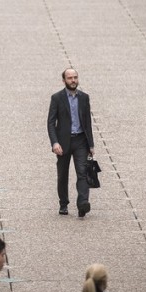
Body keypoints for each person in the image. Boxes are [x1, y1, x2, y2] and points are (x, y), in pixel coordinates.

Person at [47, 68, 96, 217]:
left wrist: (91, 144)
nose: (73, 80)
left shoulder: (84, 97)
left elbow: (87, 122)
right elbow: (50, 123)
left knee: (83, 173)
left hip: (81, 140)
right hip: (63, 142)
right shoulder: (56, 98)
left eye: (75, 77)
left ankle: (82, 203)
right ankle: (63, 203)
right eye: (70, 78)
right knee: (63, 175)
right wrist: (54, 143)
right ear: (64, 80)